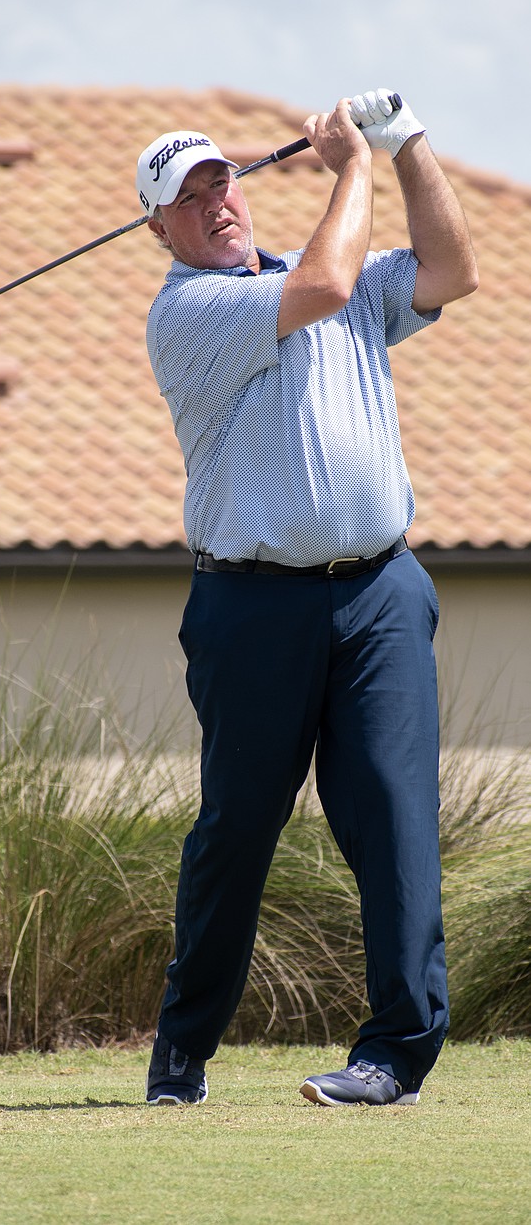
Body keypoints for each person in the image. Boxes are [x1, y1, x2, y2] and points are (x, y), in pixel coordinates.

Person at [136, 90, 478, 1107]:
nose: (216, 204)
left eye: (222, 180)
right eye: (189, 198)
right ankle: (182, 1055)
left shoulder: (332, 278)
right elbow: (328, 282)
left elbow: (455, 269)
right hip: (251, 609)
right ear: (158, 227)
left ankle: (394, 1055)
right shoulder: (190, 312)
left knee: (391, 815)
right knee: (237, 829)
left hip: (379, 594)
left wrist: (405, 142)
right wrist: (352, 165)